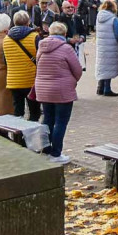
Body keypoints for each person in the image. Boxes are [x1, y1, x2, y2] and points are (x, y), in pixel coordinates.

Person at [35, 21, 84, 164]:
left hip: (43, 89)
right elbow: (78, 69)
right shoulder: (66, 48)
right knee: (61, 122)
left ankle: (46, 149)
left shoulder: (41, 47)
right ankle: (56, 154)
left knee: (48, 120)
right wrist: (72, 81)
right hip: (62, 89)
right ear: (64, 34)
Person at [4, 11, 41, 122]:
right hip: (31, 80)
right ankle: (29, 136)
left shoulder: (6, 39)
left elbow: (5, 61)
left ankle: (18, 137)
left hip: (14, 81)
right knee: (34, 112)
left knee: (18, 112)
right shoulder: (35, 37)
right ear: (28, 22)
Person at [94, 0, 118, 97]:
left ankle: (100, 87)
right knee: (109, 66)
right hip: (111, 44)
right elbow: (117, 33)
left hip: (101, 44)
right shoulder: (113, 18)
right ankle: (107, 89)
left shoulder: (99, 16)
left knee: (102, 65)